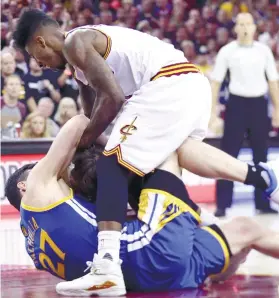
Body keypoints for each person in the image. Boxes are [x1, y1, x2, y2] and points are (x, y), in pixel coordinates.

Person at [12, 9, 279, 295]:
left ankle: (107, 265)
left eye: (36, 57)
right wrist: (91, 142)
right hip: (188, 85)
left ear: (41, 41)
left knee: (112, 164)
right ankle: (260, 177)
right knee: (171, 153)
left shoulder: (75, 43)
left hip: (166, 83)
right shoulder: (79, 65)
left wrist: (84, 144)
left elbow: (111, 101)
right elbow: (92, 116)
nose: (40, 65)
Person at [4, 118, 279, 296]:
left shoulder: (36, 246)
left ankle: (209, 230)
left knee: (247, 229)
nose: (43, 165)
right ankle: (260, 177)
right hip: (154, 248)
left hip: (156, 277)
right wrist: (121, 145)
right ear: (22, 187)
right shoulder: (36, 189)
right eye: (34, 167)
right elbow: (77, 124)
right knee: (168, 148)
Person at [210, 13, 279, 217]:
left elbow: (273, 82)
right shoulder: (227, 51)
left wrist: (277, 109)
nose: (245, 28)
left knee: (261, 156)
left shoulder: (264, 51)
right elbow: (215, 83)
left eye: (248, 24)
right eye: (241, 24)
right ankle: (222, 204)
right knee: (228, 156)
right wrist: (211, 113)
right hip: (236, 105)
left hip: (258, 105)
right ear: (236, 28)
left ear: (255, 27)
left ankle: (263, 203)